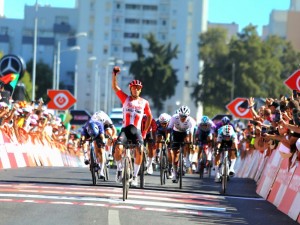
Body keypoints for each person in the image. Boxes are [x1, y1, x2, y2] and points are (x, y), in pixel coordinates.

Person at [112, 66, 153, 187]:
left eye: (138, 88)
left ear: (140, 90)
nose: (136, 90)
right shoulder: (125, 98)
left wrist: (145, 132)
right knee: (118, 148)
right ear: (131, 89)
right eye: (134, 88)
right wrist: (114, 74)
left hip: (137, 131)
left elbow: (149, 116)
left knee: (140, 150)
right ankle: (120, 169)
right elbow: (115, 87)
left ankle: (135, 177)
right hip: (125, 130)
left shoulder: (144, 102)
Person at [166, 105, 196, 183]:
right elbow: (169, 129)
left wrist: (191, 143)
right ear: (178, 114)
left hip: (185, 133)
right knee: (175, 154)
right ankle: (175, 173)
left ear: (188, 116)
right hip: (176, 133)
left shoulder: (191, 121)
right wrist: (168, 138)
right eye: (181, 116)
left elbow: (191, 134)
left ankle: (186, 158)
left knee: (187, 141)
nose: (182, 118)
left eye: (184, 116)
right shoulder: (174, 117)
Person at [155, 113, 172, 178]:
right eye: (162, 123)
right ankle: (158, 152)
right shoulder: (158, 124)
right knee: (158, 138)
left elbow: (169, 134)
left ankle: (170, 167)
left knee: (170, 151)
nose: (163, 125)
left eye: (165, 123)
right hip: (161, 132)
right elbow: (155, 133)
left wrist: (168, 139)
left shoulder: (171, 123)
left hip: (169, 133)